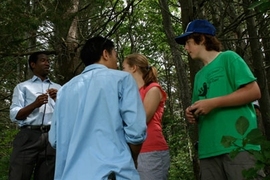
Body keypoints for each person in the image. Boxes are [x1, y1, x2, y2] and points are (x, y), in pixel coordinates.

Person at [48, 36, 147, 180]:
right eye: (115, 56)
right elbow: (136, 131)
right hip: (111, 173)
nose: (116, 62)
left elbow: (55, 140)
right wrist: (133, 158)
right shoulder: (122, 80)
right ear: (105, 54)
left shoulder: (64, 90)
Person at [175, 19, 262, 179]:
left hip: (238, 148)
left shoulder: (229, 58)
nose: (186, 48)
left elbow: (253, 92)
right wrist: (192, 112)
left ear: (201, 39)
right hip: (208, 151)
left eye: (188, 42)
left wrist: (214, 103)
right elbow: (201, 106)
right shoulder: (199, 75)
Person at [9, 51, 61, 180]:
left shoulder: (58, 88)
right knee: (18, 175)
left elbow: (67, 115)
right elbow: (15, 115)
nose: (47, 63)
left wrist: (58, 100)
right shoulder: (22, 87)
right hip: (28, 136)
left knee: (47, 176)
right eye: (43, 60)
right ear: (33, 64)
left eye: (48, 61)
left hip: (52, 137)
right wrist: (34, 104)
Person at [122, 53, 170, 180]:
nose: (122, 72)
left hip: (151, 150)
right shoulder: (131, 93)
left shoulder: (153, 89)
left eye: (124, 68)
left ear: (133, 68)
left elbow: (142, 119)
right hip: (132, 152)